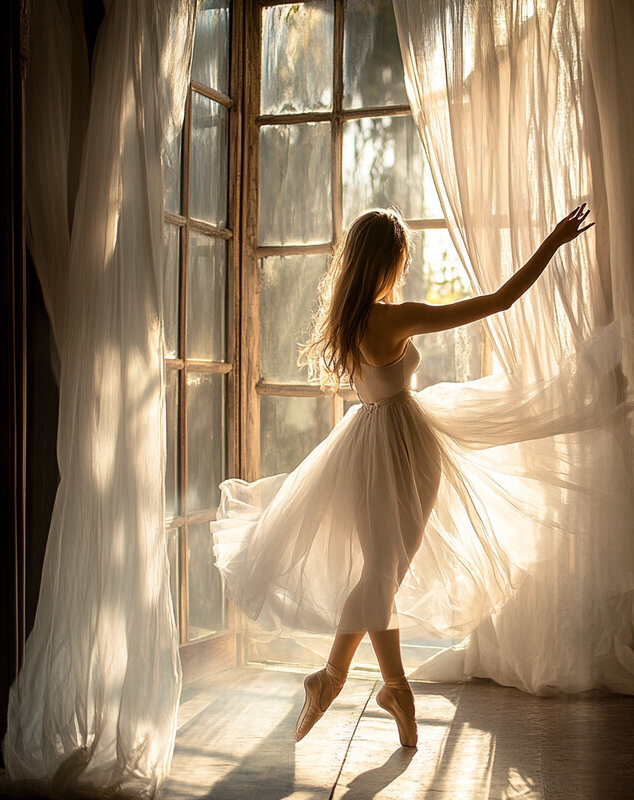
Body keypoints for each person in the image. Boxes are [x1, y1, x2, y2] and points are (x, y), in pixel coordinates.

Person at [212, 204, 593, 749]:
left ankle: (332, 678)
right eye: (402, 258)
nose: (405, 267)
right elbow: (499, 301)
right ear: (386, 261)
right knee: (381, 575)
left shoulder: (348, 318)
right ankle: (391, 686)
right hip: (400, 450)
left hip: (370, 444)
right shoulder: (391, 318)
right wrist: (552, 244)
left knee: (378, 573)